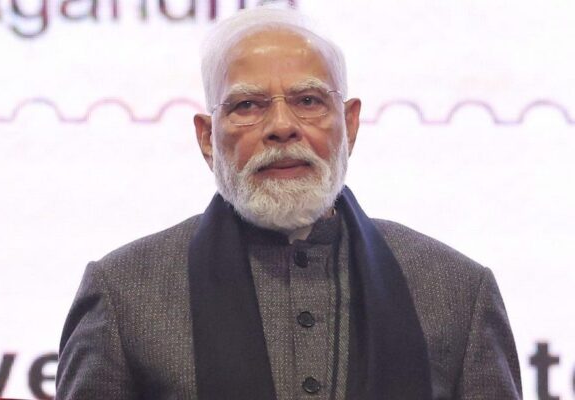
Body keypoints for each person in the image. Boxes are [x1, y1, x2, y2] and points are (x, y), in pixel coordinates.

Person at [56, 7, 522, 400]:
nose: (282, 126)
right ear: (207, 138)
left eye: (309, 100)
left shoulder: (458, 291)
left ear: (350, 124)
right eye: (247, 106)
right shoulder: (124, 294)